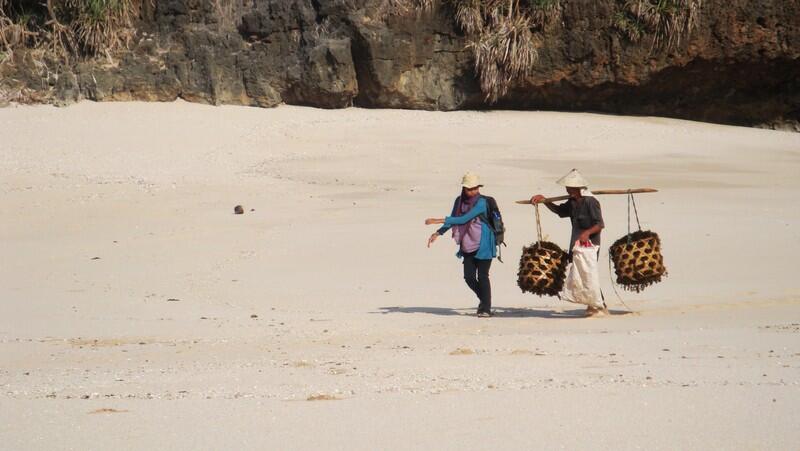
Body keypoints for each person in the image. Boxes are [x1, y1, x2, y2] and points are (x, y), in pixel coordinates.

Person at [531, 169, 607, 317]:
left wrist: (587, 233)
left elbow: (600, 224)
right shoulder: (573, 202)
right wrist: (545, 200)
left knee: (588, 272)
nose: (569, 191)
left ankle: (599, 305)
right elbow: (560, 212)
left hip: (591, 244)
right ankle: (594, 304)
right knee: (581, 273)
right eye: (568, 188)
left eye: (572, 188)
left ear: (579, 188)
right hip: (577, 242)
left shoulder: (591, 201)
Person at [426, 172, 497, 317]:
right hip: (467, 243)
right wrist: (439, 233)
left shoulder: (482, 203)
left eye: (475, 188)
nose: (473, 191)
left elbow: (463, 219)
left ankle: (486, 308)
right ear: (464, 188)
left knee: (483, 276)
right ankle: (484, 301)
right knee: (469, 277)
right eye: (469, 188)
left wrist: (437, 220)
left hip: (484, 243)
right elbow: (454, 218)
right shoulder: (459, 201)